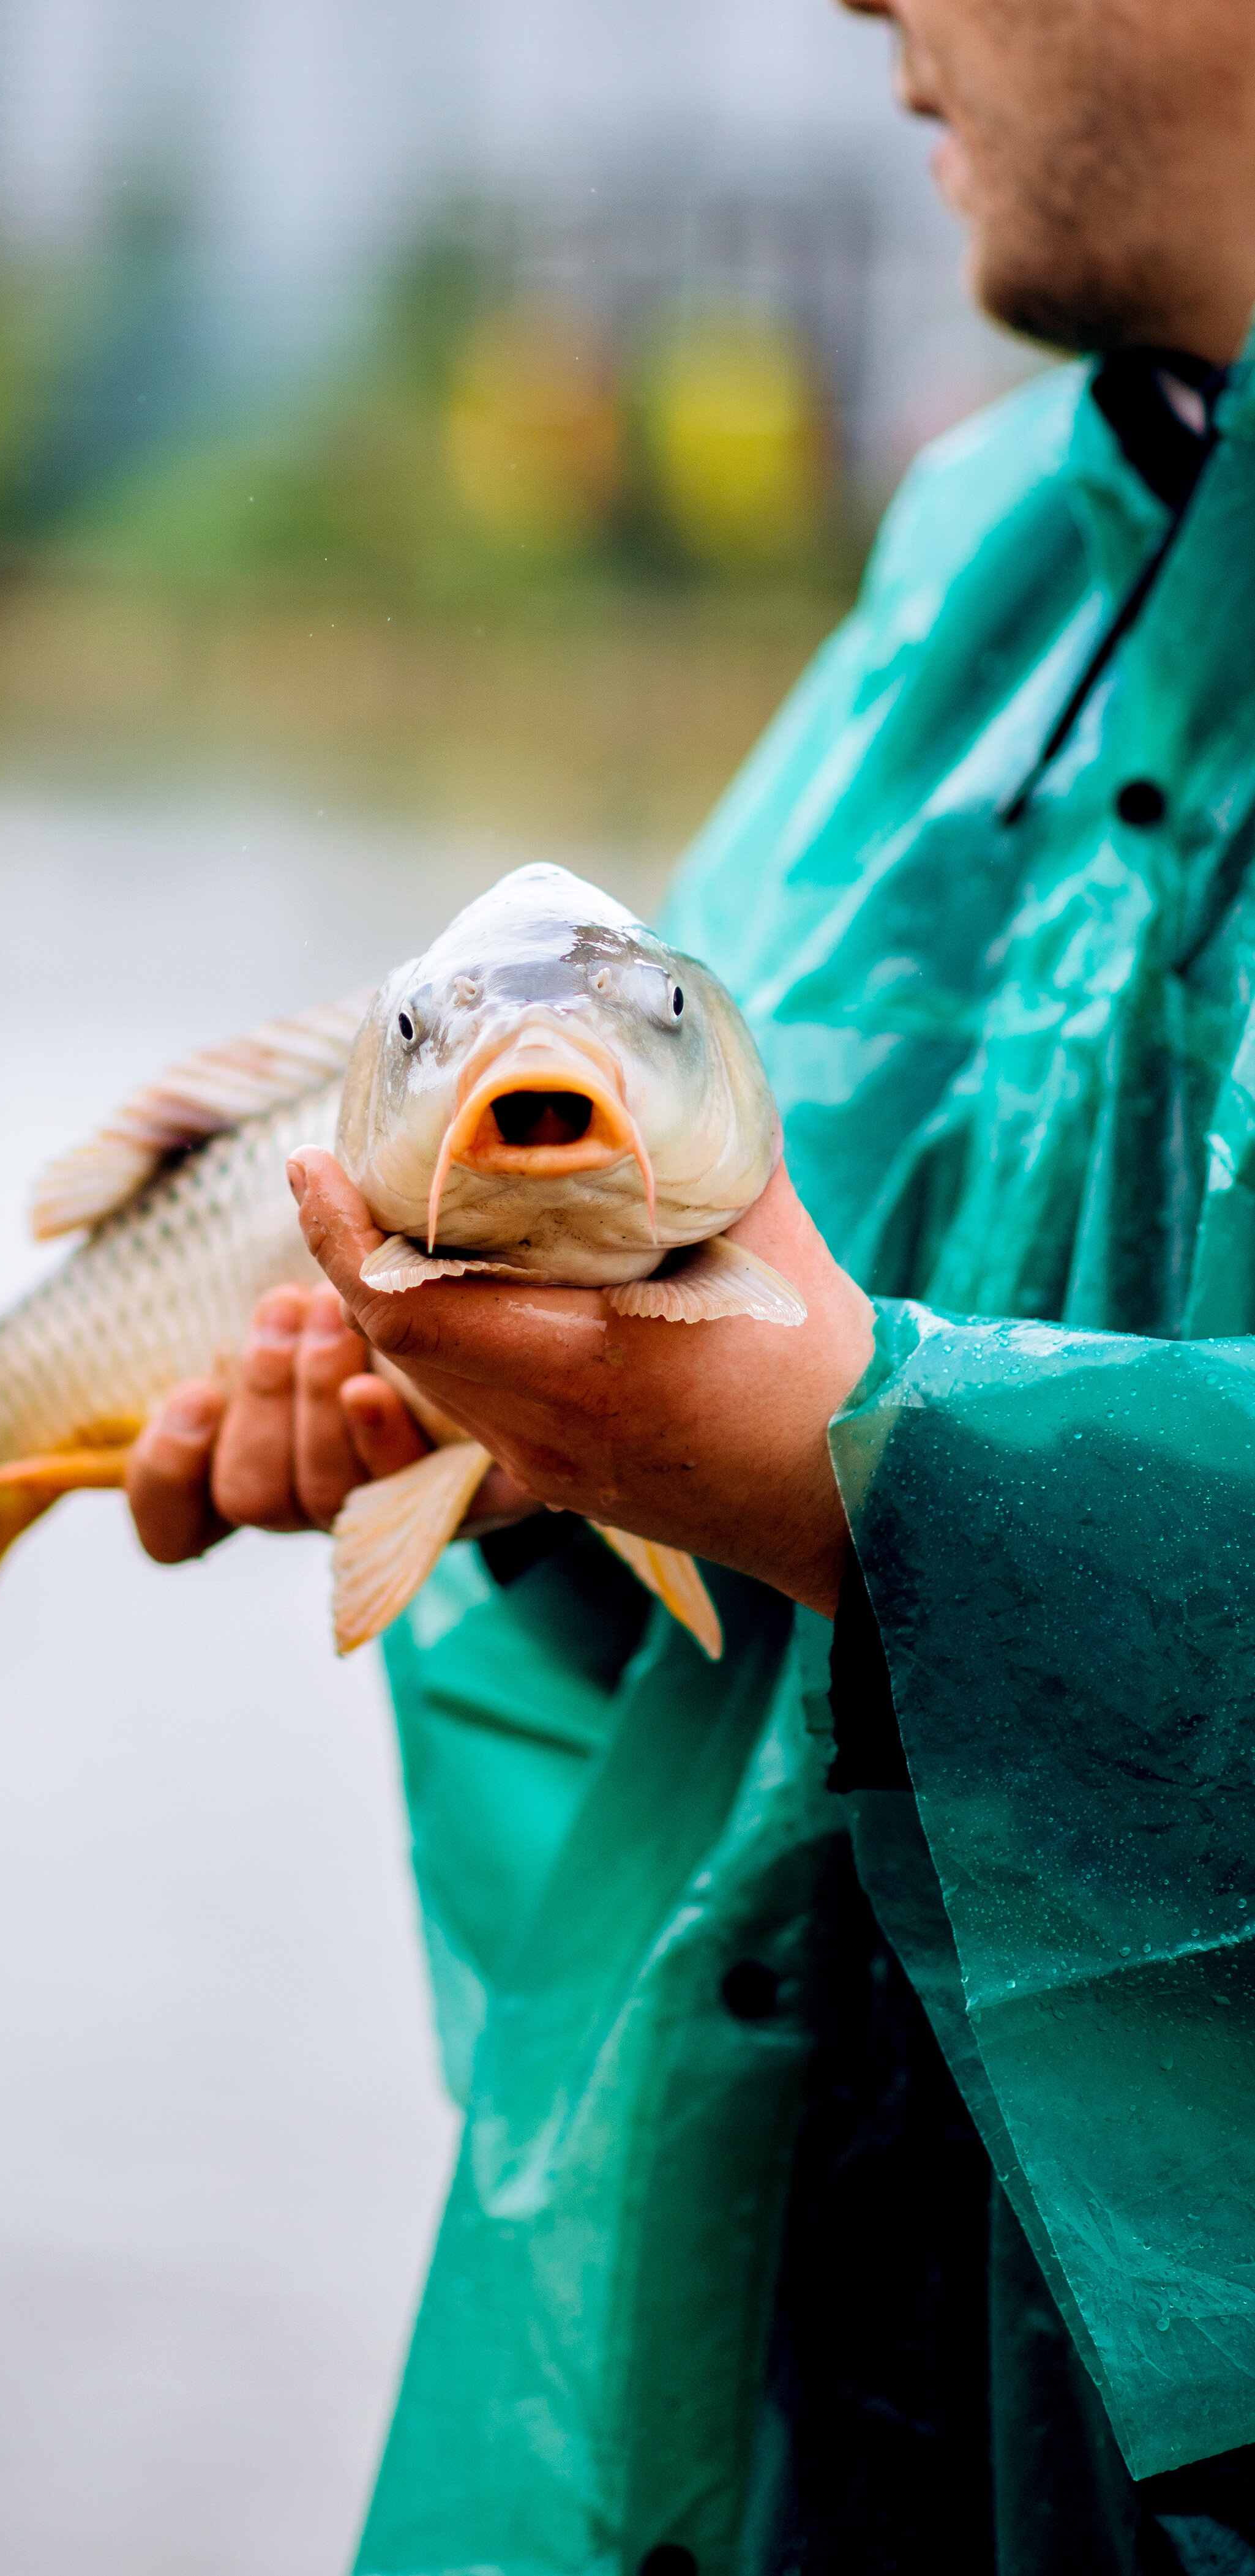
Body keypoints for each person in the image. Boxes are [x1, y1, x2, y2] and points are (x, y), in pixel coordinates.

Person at [127, 1, 1255, 2567]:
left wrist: (894, 1469)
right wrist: (531, 1466)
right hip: (815, 2439)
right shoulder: (975, 565)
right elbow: (685, 1360)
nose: (855, 4)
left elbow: (850, 1407)